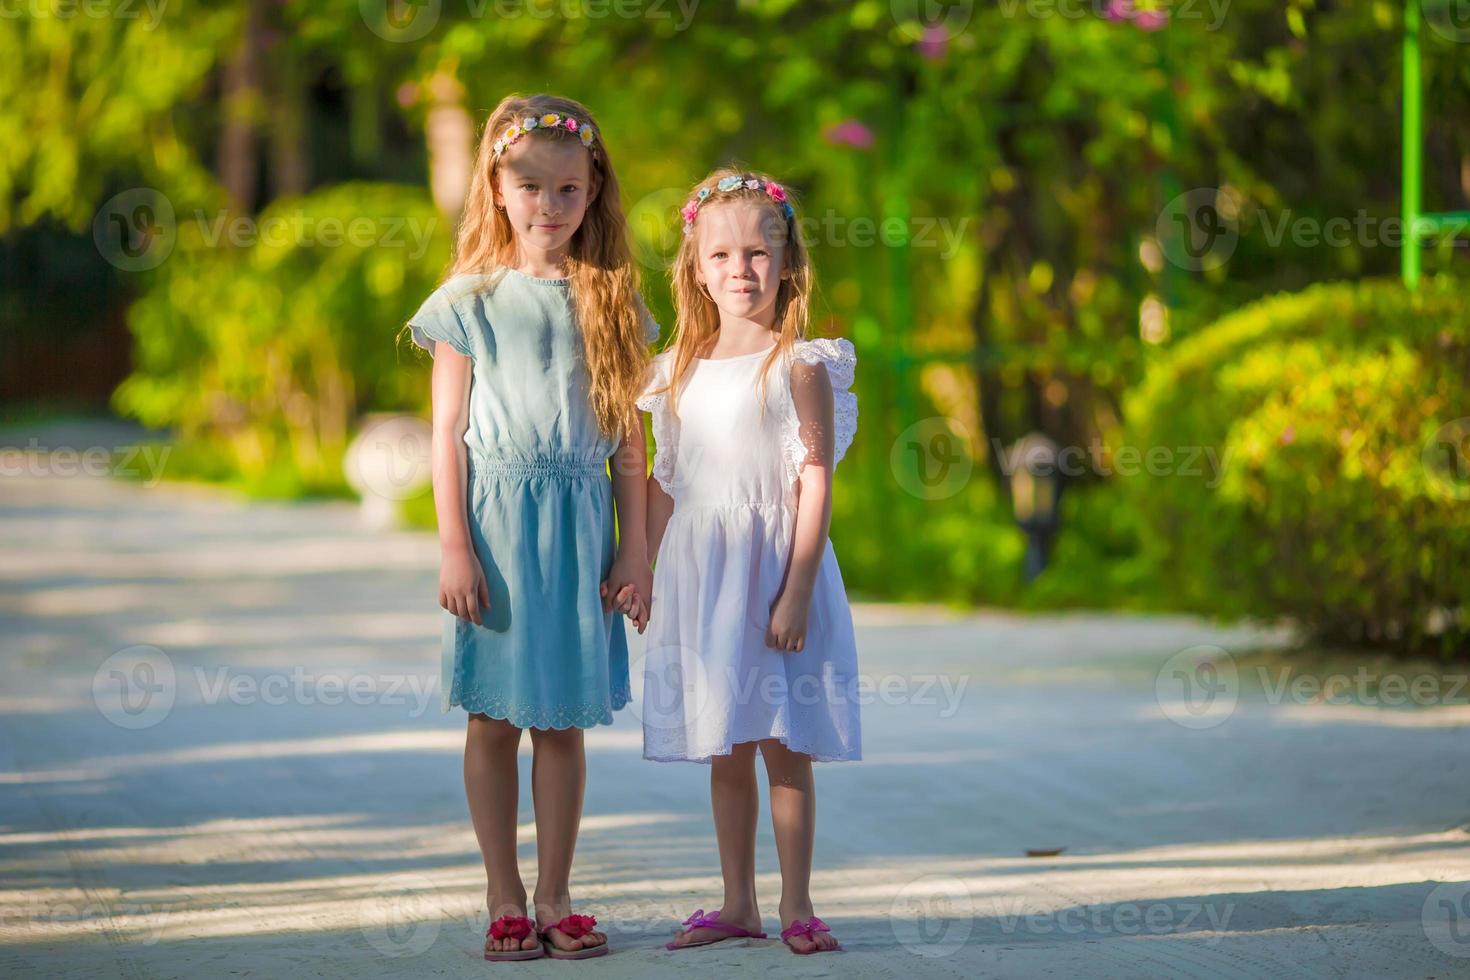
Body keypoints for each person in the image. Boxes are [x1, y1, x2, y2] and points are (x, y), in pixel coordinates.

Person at [404, 93, 656, 962]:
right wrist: (453, 547)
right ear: (496, 186)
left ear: (594, 194)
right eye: (531, 187)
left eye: (568, 190)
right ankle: (501, 893)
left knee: (561, 722)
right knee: (493, 720)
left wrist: (636, 547)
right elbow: (446, 431)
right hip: (497, 530)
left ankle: (555, 894)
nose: (549, 206)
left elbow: (630, 439)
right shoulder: (468, 300)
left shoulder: (611, 298)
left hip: (582, 526)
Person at [628, 167, 860, 955]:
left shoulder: (801, 364)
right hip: (705, 579)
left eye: (759, 254)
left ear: (788, 261)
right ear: (695, 265)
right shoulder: (674, 373)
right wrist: (644, 569)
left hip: (775, 574)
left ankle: (798, 904)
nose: (740, 270)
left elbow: (815, 479)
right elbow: (667, 483)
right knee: (724, 743)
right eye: (721, 255)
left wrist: (796, 590)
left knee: (784, 745)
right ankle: (738, 901)